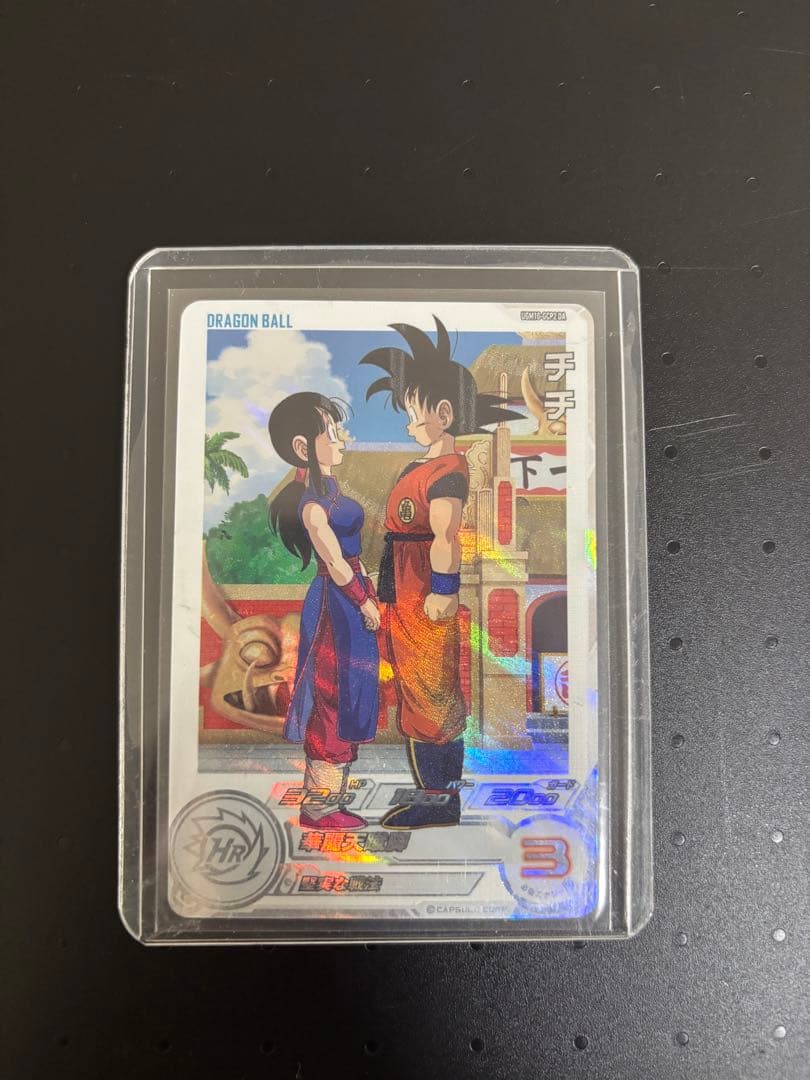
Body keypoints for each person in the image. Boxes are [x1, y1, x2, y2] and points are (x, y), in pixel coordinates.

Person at [361, 317, 521, 828]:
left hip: (425, 592)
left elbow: (446, 535)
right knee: (415, 692)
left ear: (444, 413)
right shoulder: (418, 467)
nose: (409, 424)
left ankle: (440, 800)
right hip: (402, 590)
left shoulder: (448, 471)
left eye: (415, 414)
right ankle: (431, 793)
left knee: (433, 694)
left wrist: (445, 590)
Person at [268, 392, 380, 830]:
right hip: (337, 603)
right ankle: (318, 806)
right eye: (331, 433)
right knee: (332, 695)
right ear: (302, 447)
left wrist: (367, 588)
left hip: (351, 594)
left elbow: (350, 557)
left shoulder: (332, 493)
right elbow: (334, 563)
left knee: (352, 694)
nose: (342, 439)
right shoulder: (313, 505)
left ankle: (331, 801)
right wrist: (363, 600)